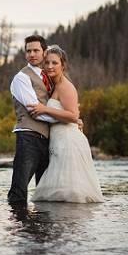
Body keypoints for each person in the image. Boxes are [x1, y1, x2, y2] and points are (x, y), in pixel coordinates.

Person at [29, 45, 104, 203]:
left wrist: (45, 109)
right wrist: (75, 119)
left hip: (68, 141)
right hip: (58, 140)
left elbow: (72, 114)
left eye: (54, 63)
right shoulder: (53, 86)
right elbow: (71, 114)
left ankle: (69, 226)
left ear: (62, 65)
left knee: (70, 193)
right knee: (57, 193)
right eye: (47, 63)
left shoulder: (65, 86)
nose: (50, 66)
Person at [7, 35, 58, 204]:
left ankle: (40, 230)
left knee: (44, 193)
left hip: (47, 141)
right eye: (28, 51)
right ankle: (19, 230)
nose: (32, 54)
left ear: (45, 52)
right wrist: (66, 120)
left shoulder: (48, 77)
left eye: (36, 50)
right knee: (19, 192)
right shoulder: (22, 78)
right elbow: (35, 110)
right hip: (28, 138)